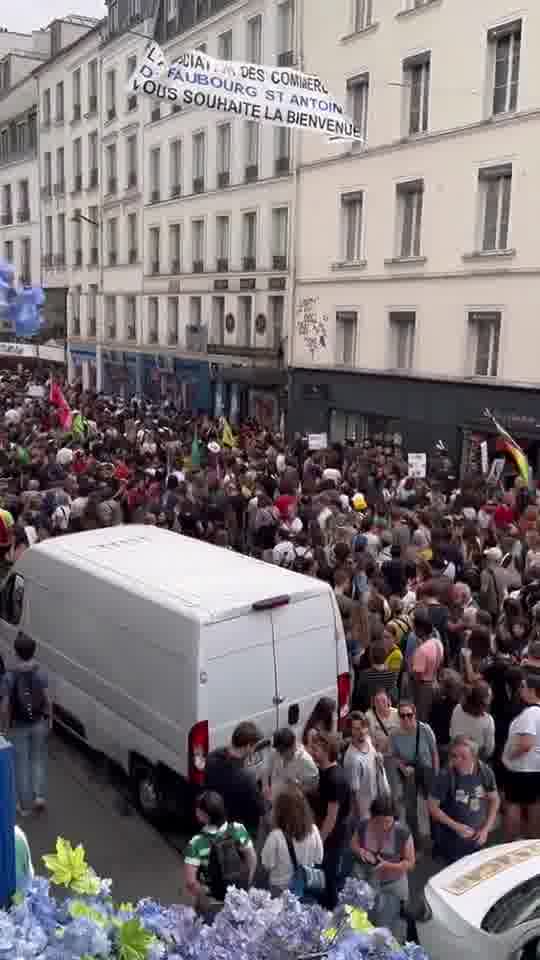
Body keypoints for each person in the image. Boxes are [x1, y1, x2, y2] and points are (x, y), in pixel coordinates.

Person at [1, 631, 51, 816]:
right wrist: (50, 720)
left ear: (16, 652)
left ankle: (25, 806)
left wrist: (4, 727)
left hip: (18, 725)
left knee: (21, 764)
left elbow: (5, 706)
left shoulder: (9, 677)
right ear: (33, 651)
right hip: (39, 722)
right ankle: (39, 797)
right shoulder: (41, 672)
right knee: (37, 759)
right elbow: (48, 700)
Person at [428, 736, 499, 863]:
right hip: (453, 839)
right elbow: (432, 807)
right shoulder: (445, 775)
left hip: (478, 837)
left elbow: (494, 799)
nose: (457, 761)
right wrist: (456, 827)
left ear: (474, 757)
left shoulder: (484, 771)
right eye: (454, 756)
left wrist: (486, 829)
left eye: (463, 757)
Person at [351, 795, 415, 936]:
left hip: (393, 885)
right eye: (378, 822)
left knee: (386, 925)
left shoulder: (402, 832)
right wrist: (360, 850)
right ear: (372, 816)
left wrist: (389, 866)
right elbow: (353, 843)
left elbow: (410, 863)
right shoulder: (363, 826)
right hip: (369, 881)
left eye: (388, 822)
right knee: (363, 922)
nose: (383, 826)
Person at [183, 790, 257, 912]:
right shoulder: (238, 829)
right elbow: (252, 859)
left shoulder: (196, 842)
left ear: (205, 815)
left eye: (198, 809)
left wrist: (205, 896)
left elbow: (191, 882)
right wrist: (245, 884)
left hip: (212, 902)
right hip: (238, 899)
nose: (196, 811)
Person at [310, 732, 351, 909]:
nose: (312, 752)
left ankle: (330, 915)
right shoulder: (326, 772)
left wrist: (319, 841)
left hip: (332, 838)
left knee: (328, 880)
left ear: (327, 750)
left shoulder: (334, 779)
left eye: (316, 749)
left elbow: (331, 817)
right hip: (328, 835)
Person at [204, 721, 265, 839]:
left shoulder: (212, 757)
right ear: (248, 746)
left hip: (214, 825)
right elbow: (260, 809)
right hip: (236, 834)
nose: (253, 751)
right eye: (254, 747)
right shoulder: (246, 778)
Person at [389, 700, 439, 843]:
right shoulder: (394, 734)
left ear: (415, 715)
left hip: (427, 770)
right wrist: (402, 767)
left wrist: (436, 775)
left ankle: (436, 838)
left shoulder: (425, 729)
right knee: (410, 808)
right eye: (402, 716)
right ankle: (416, 842)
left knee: (432, 805)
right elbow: (394, 756)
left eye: (409, 715)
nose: (406, 719)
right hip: (409, 772)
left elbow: (434, 752)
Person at [261, 785, 323, 897]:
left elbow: (267, 864)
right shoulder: (313, 830)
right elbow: (319, 858)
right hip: (306, 886)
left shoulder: (275, 836)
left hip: (280, 889)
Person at [502, 671, 540, 840]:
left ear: (533, 691)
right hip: (535, 768)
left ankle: (510, 843)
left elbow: (526, 744)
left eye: (524, 686)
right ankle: (533, 842)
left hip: (521, 768)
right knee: (534, 805)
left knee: (514, 805)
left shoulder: (530, 714)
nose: (521, 689)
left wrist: (509, 756)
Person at [343, 711, 382, 820]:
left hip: (377, 803)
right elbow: (353, 793)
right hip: (364, 812)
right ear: (350, 731)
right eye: (356, 729)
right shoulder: (352, 759)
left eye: (364, 727)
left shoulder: (368, 740)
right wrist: (360, 819)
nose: (362, 731)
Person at [266, 727, 319, 803]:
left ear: (293, 745)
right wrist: (265, 786)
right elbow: (266, 767)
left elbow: (313, 788)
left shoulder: (306, 761)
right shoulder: (276, 750)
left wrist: (296, 785)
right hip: (276, 800)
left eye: (283, 751)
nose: (281, 754)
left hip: (294, 805)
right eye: (279, 750)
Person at [410, 606, 444, 721]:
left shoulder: (422, 650)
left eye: (415, 628)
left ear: (420, 630)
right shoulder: (438, 642)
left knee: (421, 717)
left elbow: (417, 676)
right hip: (436, 683)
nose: (413, 630)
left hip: (424, 687)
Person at [450, 681, 495, 760]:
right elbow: (489, 749)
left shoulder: (457, 708)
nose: (492, 698)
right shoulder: (488, 720)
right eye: (489, 696)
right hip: (475, 759)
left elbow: (452, 733)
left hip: (455, 754)